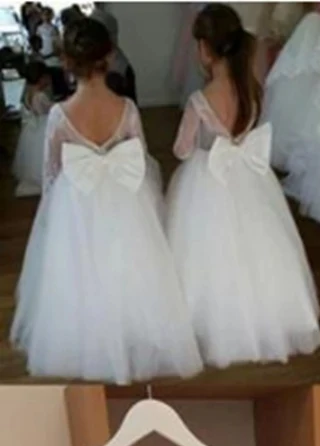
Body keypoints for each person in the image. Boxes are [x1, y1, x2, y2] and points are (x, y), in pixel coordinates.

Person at [12, 17, 201, 383]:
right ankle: (129, 329)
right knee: (128, 265)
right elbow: (141, 162)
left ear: (66, 61)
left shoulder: (59, 115)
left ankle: (91, 335)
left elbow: (51, 175)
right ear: (110, 55)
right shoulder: (127, 109)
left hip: (75, 204)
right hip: (125, 202)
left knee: (81, 270)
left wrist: (51, 217)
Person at [166, 3, 320, 368]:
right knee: (260, 249)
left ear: (204, 49)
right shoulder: (253, 90)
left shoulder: (199, 101)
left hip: (208, 181)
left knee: (209, 254)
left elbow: (182, 149)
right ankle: (266, 317)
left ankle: (213, 323)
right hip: (251, 181)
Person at [12, 61, 52, 196]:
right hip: (41, 129)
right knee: (41, 156)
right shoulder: (40, 96)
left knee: (31, 157)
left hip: (29, 131)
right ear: (41, 78)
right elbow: (47, 111)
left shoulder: (27, 92)